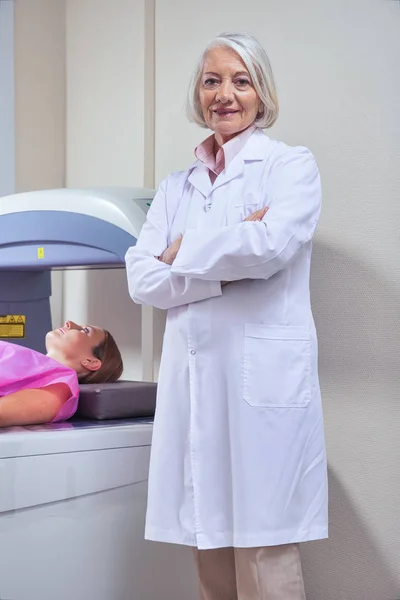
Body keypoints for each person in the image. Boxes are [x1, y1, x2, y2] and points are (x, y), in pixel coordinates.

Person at [125, 31, 327, 600]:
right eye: (212, 80)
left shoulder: (289, 166)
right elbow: (142, 279)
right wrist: (223, 252)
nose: (225, 94)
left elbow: (268, 249)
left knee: (264, 550)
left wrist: (179, 252)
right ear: (199, 92)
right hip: (196, 386)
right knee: (207, 543)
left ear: (261, 93)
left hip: (259, 386)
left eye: (240, 81)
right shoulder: (175, 186)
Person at [0, 321, 123, 428]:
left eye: (85, 330)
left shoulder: (60, 388)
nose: (68, 323)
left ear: (91, 362)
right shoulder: (30, 360)